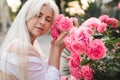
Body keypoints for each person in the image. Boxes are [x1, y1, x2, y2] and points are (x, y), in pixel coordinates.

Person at [0, 0, 67, 80]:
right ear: (26, 15)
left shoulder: (30, 44)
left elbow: (46, 73)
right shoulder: (21, 48)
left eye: (48, 20)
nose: (43, 22)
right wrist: (57, 50)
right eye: (38, 15)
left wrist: (54, 47)